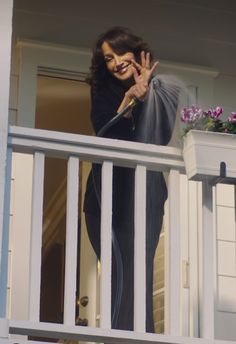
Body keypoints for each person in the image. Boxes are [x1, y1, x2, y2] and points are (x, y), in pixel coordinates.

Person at [83, 26, 178, 332]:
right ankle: (119, 336)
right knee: (117, 270)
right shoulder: (103, 90)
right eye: (108, 58)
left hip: (143, 199)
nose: (115, 62)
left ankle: (140, 336)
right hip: (105, 197)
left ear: (135, 51)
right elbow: (105, 133)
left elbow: (159, 137)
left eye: (120, 53)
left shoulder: (163, 90)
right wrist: (128, 99)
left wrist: (147, 95)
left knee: (140, 271)